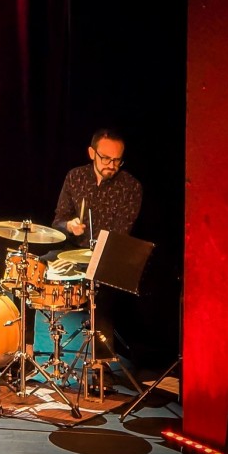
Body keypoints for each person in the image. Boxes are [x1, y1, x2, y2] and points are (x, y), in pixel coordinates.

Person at [49, 128, 142, 367]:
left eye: (117, 160)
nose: (112, 165)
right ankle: (26, 351)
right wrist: (69, 226)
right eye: (106, 158)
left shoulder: (131, 187)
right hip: (73, 251)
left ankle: (102, 367)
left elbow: (120, 234)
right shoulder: (75, 177)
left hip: (108, 257)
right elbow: (58, 221)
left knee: (103, 294)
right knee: (31, 269)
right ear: (92, 153)